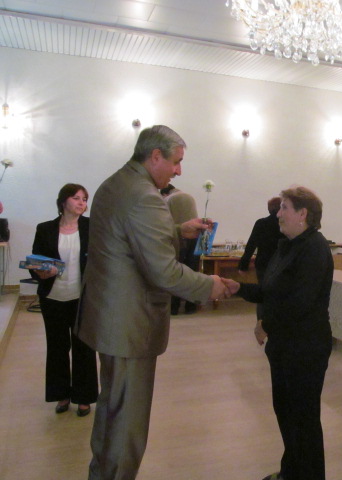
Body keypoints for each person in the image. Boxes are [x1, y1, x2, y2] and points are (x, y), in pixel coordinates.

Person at [76, 125, 230, 480]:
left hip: (110, 318)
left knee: (111, 411)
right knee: (126, 428)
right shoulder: (145, 197)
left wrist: (177, 231)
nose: (179, 171)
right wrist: (210, 285)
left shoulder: (116, 183)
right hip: (130, 325)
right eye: (176, 162)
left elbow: (127, 240)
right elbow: (164, 272)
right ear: (155, 156)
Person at [222, 186, 333, 480]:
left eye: (284, 208)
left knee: (304, 419)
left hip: (305, 348)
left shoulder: (314, 248)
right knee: (286, 413)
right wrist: (240, 288)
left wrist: (265, 324)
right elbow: (270, 290)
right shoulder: (289, 245)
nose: (278, 214)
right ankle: (291, 471)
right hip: (284, 346)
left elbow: (300, 302)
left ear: (303, 213)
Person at [30, 183, 98, 416]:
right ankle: (61, 394)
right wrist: (40, 272)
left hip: (82, 297)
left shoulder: (91, 226)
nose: (82, 203)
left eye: (84, 199)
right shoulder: (45, 228)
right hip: (53, 297)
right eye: (76, 198)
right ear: (63, 201)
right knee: (57, 347)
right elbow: (36, 260)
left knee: (84, 347)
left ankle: (84, 397)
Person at [238, 196, 285, 320]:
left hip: (263, 264)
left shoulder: (261, 223)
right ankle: (278, 319)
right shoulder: (285, 224)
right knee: (280, 293)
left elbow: (251, 245)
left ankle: (261, 320)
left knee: (262, 292)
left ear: (269, 209)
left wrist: (243, 265)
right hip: (281, 264)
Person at [160, 183, 200, 315]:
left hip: (179, 238)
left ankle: (173, 308)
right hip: (195, 238)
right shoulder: (190, 197)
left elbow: (163, 223)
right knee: (192, 272)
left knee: (176, 273)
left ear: (164, 193)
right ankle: (191, 306)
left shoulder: (168, 199)